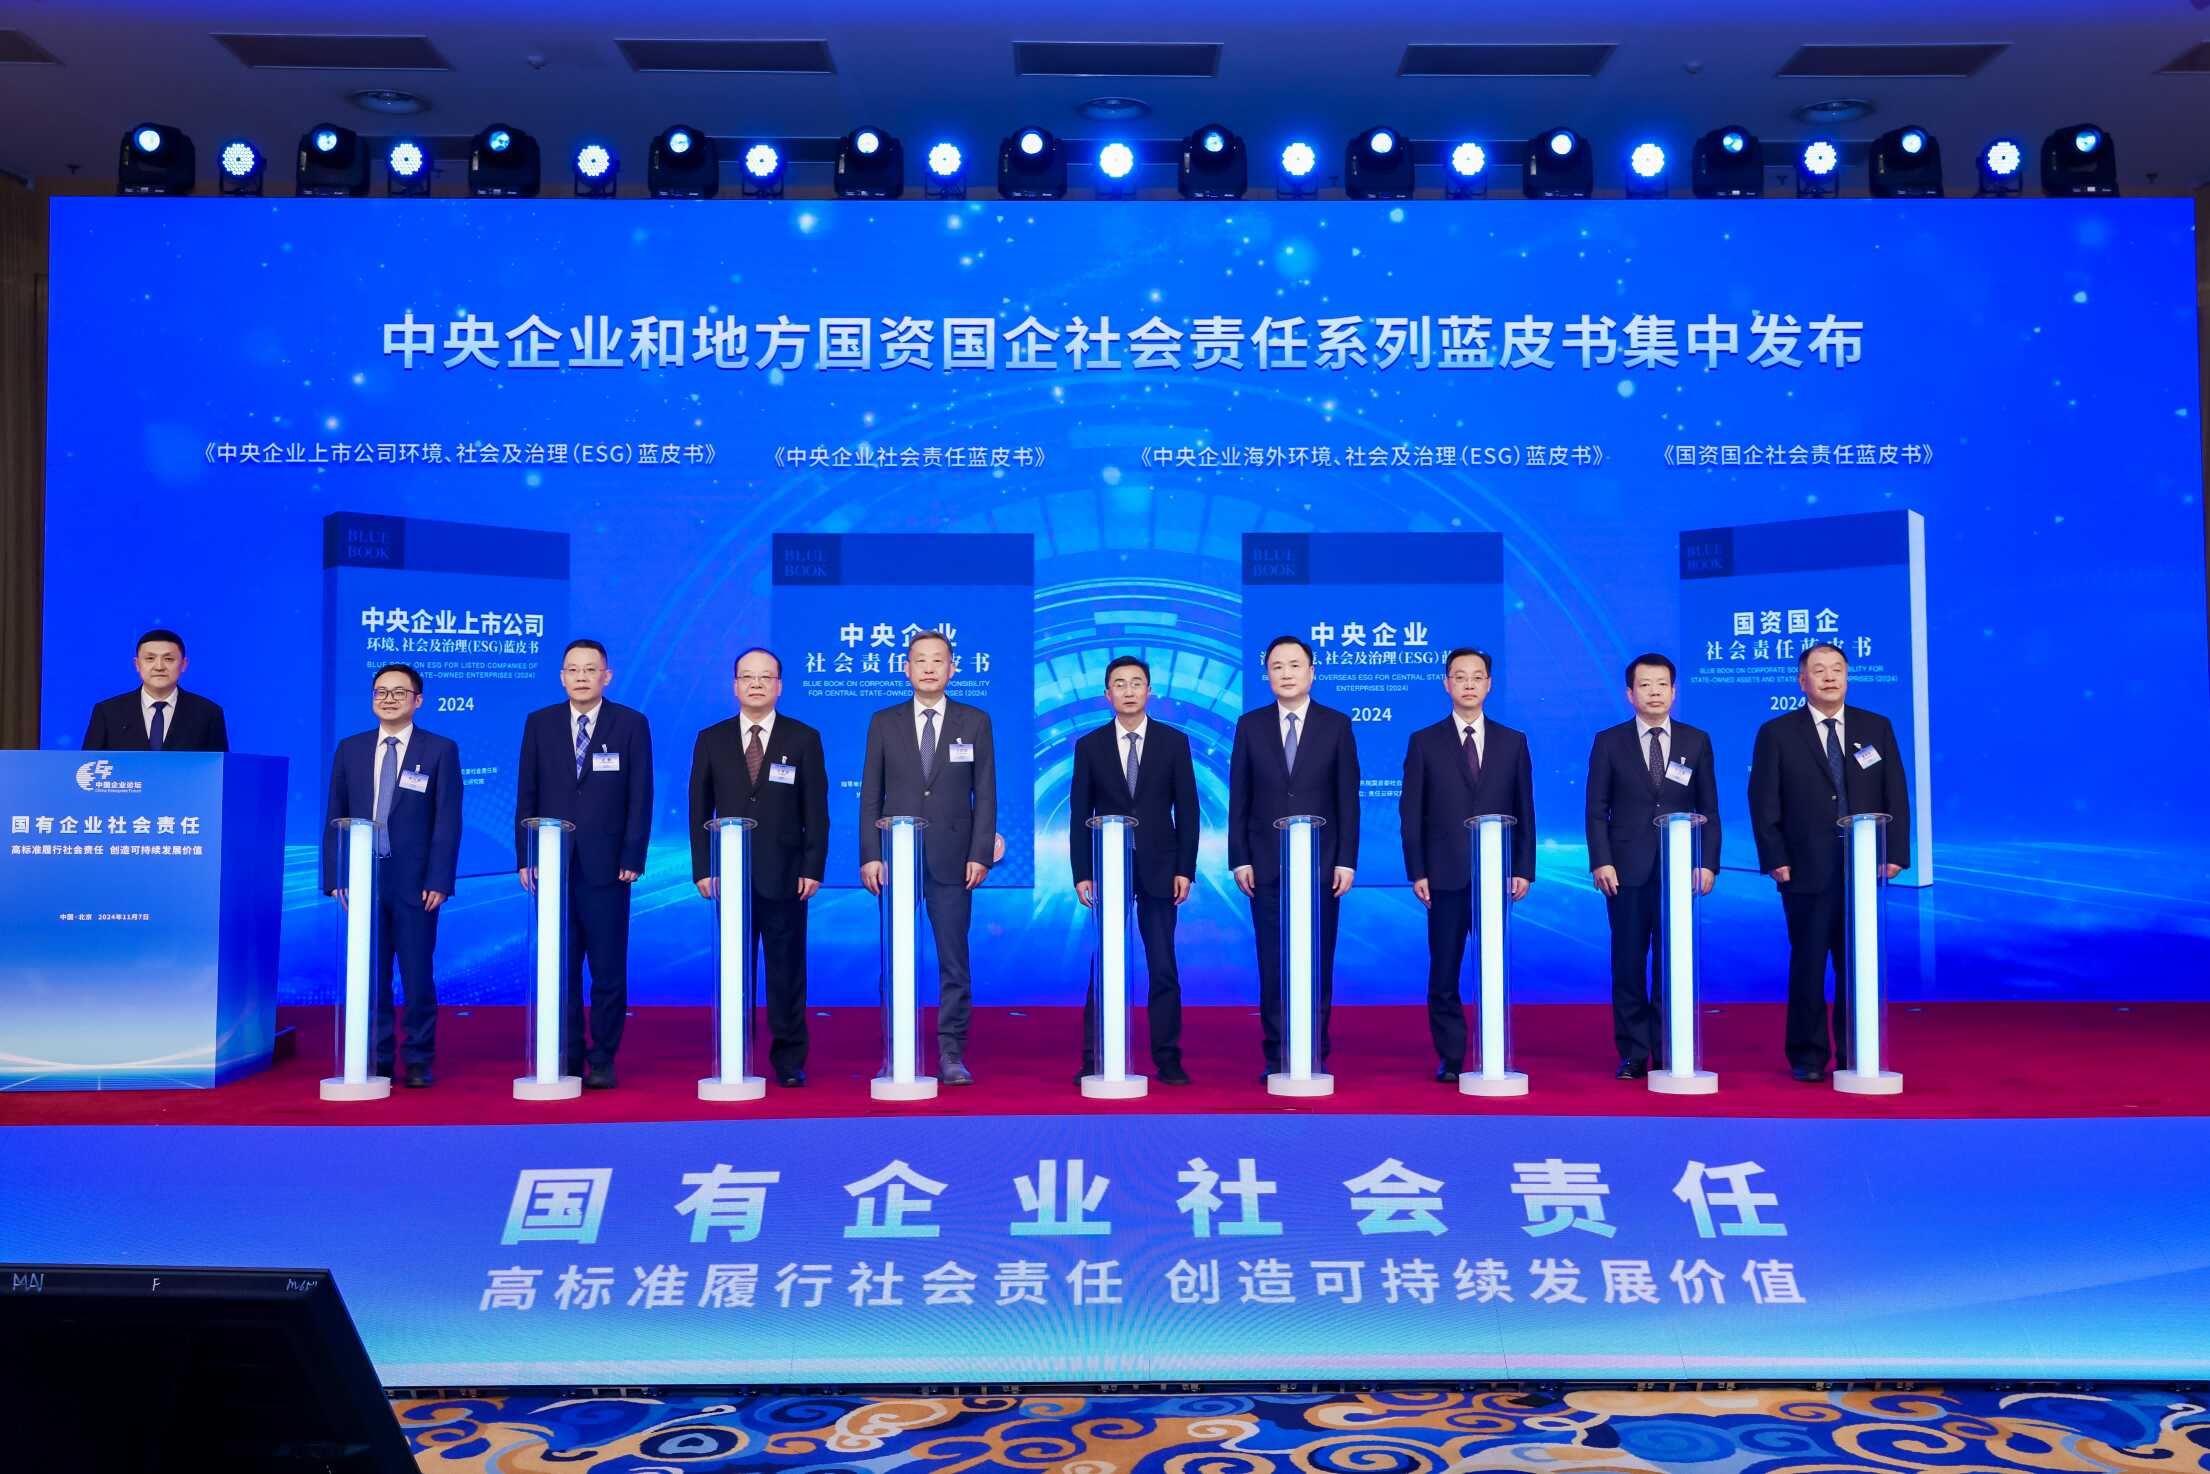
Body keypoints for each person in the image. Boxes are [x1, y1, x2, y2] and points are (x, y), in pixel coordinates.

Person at [1748, 641, 1911, 1081]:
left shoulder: (1876, 727)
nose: (1829, 677)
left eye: (1837, 668)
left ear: (1848, 676)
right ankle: (1808, 1055)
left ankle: (1857, 1051)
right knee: (1809, 963)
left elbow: (1895, 793)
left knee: (1857, 964)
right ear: (1802, 681)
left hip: (1863, 867)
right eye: (1818, 670)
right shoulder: (1778, 733)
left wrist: (1895, 852)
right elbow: (1763, 800)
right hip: (1804, 868)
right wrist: (1775, 856)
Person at [858, 630, 996, 1085]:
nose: (930, 668)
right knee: (895, 958)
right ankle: (895, 1050)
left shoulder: (975, 721)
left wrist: (980, 853)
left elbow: (986, 794)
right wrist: (871, 854)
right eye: (921, 660)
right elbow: (870, 795)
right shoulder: (884, 722)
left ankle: (951, 1052)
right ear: (907, 668)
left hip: (954, 859)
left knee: (954, 961)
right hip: (895, 859)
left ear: (952, 669)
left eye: (939, 660)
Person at [515, 639, 654, 1090]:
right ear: (561, 677)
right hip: (552, 865)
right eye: (572, 669)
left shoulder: (630, 723)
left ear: (606, 676)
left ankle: (603, 1056)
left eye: (590, 669)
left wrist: (633, 854)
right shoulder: (539, 723)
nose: (581, 677)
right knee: (561, 966)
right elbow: (527, 793)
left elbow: (640, 795)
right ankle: (568, 1053)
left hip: (609, 866)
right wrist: (527, 855)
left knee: (608, 969)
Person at [688, 647, 828, 1087]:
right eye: (747, 677)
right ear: (735, 685)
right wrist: (703, 868)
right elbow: (698, 809)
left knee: (787, 971)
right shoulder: (711, 738)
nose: (756, 684)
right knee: (735, 969)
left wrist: (813, 867)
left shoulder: (803, 738)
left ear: (779, 686)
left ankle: (788, 1059)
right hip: (728, 876)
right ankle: (736, 1051)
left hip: (786, 875)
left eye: (765, 677)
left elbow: (816, 811)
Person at [320, 663, 461, 1088]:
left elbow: (447, 820)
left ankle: (418, 1057)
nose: (388, 699)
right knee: (370, 975)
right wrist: (337, 875)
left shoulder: (439, 750)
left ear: (418, 700)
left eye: (399, 692)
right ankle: (376, 1056)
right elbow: (335, 815)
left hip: (416, 884)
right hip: (363, 879)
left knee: (417, 974)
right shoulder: (351, 749)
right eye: (381, 691)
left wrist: (439, 879)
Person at [1400, 647, 1535, 1082]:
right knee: (1444, 971)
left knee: (1494, 968)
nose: (1469, 684)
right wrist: (1418, 870)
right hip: (1444, 875)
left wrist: (1523, 868)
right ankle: (1452, 1056)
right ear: (1447, 684)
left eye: (1477, 677)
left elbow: (1525, 809)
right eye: (1460, 677)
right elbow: (1411, 813)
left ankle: (1493, 1050)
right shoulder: (1424, 741)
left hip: (1496, 877)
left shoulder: (1513, 742)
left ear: (1489, 684)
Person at [1229, 634, 1359, 1078]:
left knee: (1317, 961)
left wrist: (1345, 860)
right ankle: (1277, 1055)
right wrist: (1240, 858)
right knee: (1273, 963)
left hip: (1322, 868)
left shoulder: (1336, 725)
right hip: (1265, 866)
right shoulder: (1250, 725)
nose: (1286, 673)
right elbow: (1240, 797)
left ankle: (1314, 1050)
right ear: (1267, 675)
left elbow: (1347, 800)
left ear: (1312, 672)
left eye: (1295, 665)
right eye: (1277, 666)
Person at [1585, 652, 1720, 1079]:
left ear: (1674, 691)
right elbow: (1596, 810)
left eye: (1662, 684)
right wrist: (1602, 860)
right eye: (1645, 685)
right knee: (1628, 963)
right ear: (1630, 693)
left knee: (1672, 962)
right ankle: (1633, 1052)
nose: (1655, 692)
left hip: (1679, 871)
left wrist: (1708, 863)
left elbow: (1709, 809)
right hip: (1625, 872)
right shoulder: (1609, 741)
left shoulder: (1696, 741)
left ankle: (1668, 1047)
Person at [1068, 655, 1201, 1086]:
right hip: (1108, 868)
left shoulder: (1173, 742)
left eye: (1136, 682)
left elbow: (1188, 811)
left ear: (1149, 691)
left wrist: (1186, 868)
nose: (1128, 691)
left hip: (1162, 868)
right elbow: (1079, 814)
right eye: (1120, 684)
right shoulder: (1090, 746)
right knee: (1104, 964)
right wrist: (1082, 871)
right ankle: (1095, 1056)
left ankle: (1169, 1058)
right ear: (1107, 694)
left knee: (1163, 965)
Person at [81, 628, 228, 752]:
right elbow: (87, 766)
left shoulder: (208, 713)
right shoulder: (107, 712)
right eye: (150, 658)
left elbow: (220, 770)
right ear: (137, 664)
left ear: (184, 664)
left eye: (168, 659)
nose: (159, 667)